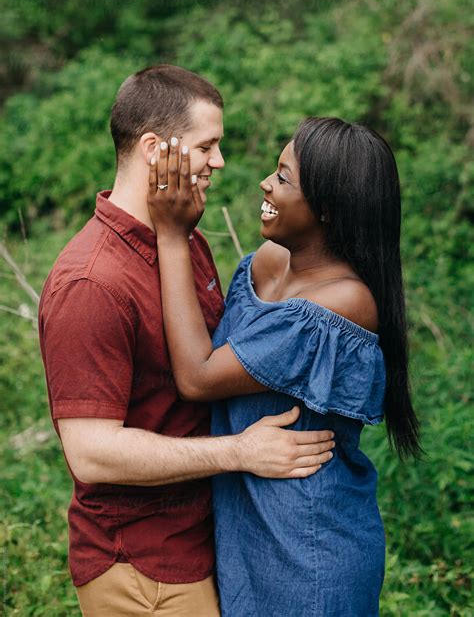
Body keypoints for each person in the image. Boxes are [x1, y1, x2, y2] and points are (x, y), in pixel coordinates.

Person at [38, 66, 335, 617]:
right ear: (155, 149)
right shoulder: (90, 282)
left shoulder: (181, 237)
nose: (220, 162)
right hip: (143, 563)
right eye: (207, 146)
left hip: (204, 538)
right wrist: (240, 452)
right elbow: (91, 454)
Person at [146, 116, 421, 617]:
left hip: (309, 549)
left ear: (329, 210)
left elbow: (197, 377)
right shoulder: (268, 261)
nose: (265, 183)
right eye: (276, 169)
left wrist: (171, 235)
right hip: (247, 533)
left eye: (284, 178)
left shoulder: (343, 302)